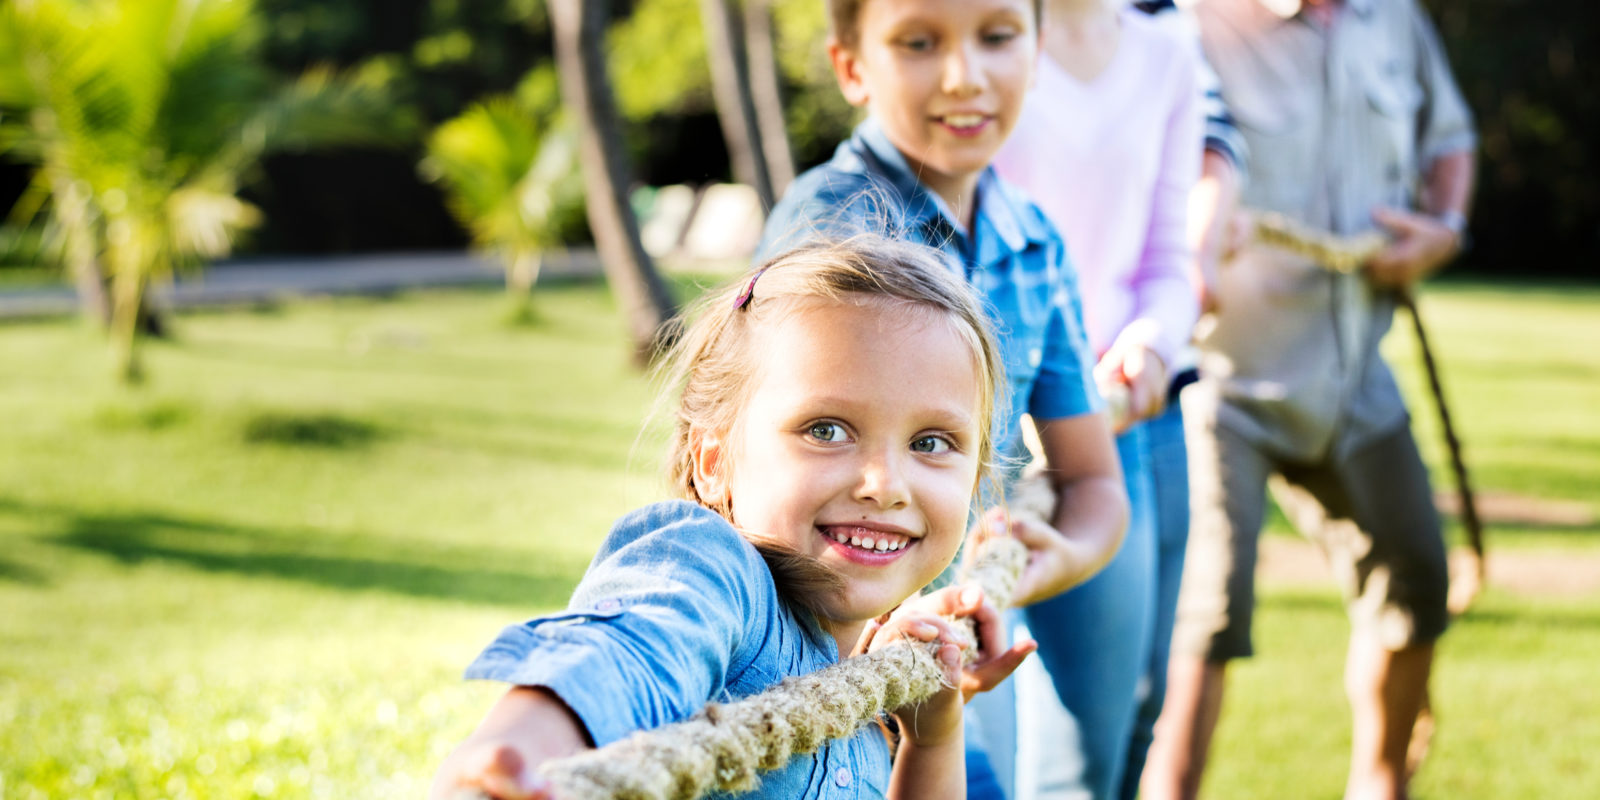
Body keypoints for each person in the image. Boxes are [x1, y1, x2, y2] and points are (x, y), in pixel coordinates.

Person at [431, 236, 1039, 800]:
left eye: (931, 442)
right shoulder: (717, 573)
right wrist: (527, 741)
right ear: (714, 461)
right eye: (826, 431)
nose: (885, 485)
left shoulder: (863, 700)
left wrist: (932, 736)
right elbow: (632, 644)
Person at [756, 1, 1131, 794]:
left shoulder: (1033, 240)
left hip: (940, 648)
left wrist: (1044, 564)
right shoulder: (834, 231)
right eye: (919, 42)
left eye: (997, 36)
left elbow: (1095, 482)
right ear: (853, 67)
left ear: (1038, 49)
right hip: (828, 667)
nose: (964, 76)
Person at [1141, 1, 1477, 798]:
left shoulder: (1391, 17)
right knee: (1204, 625)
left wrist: (1446, 225)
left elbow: (1450, 138)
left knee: (1417, 580)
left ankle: (1381, 783)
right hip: (1222, 382)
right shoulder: (1188, 21)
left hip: (1355, 370)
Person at [984, 0, 1203, 797]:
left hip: (1124, 423)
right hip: (992, 440)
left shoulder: (1170, 50)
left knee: (1111, 735)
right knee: (979, 749)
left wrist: (1149, 343)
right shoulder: (982, 37)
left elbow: (1169, 258)